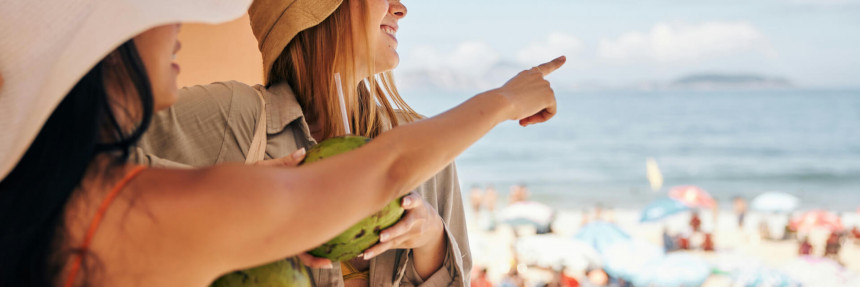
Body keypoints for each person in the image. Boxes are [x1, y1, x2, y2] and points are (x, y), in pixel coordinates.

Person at [0, 1, 565, 286]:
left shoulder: (68, 196)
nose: (177, 24)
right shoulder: (128, 207)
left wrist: (432, 240)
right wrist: (506, 100)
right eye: (155, 10)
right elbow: (383, 172)